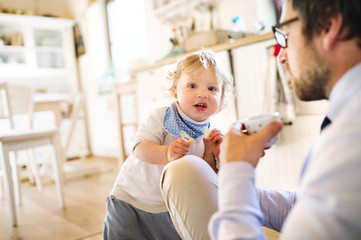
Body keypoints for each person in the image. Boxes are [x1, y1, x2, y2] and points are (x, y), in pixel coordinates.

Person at [208, 0, 361, 239]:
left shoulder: (349, 141)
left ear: (328, 26)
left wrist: (235, 172)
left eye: (285, 35)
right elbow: (307, 206)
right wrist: (233, 181)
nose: (280, 56)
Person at [103, 48, 233, 239]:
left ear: (221, 98)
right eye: (192, 86)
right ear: (175, 92)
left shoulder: (209, 133)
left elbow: (205, 177)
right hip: (130, 198)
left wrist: (214, 153)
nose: (202, 93)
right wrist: (166, 153)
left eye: (212, 89)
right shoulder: (162, 117)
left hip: (169, 208)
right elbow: (140, 149)